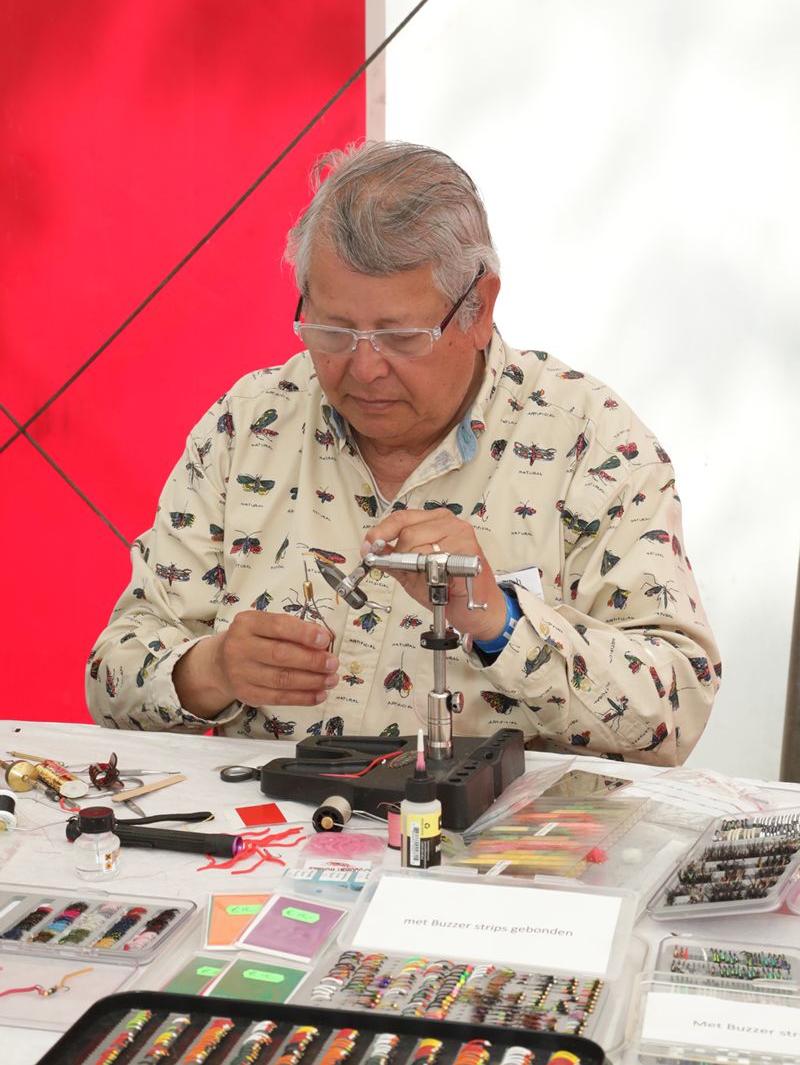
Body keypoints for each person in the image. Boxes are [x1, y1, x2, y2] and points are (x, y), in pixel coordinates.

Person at [86, 140, 721, 764]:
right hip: (265, 829)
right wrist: (212, 670)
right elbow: (110, 677)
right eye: (332, 331)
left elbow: (677, 710)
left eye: (401, 338)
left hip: (487, 835)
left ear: (478, 308)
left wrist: (501, 622)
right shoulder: (251, 425)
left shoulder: (590, 445)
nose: (363, 369)